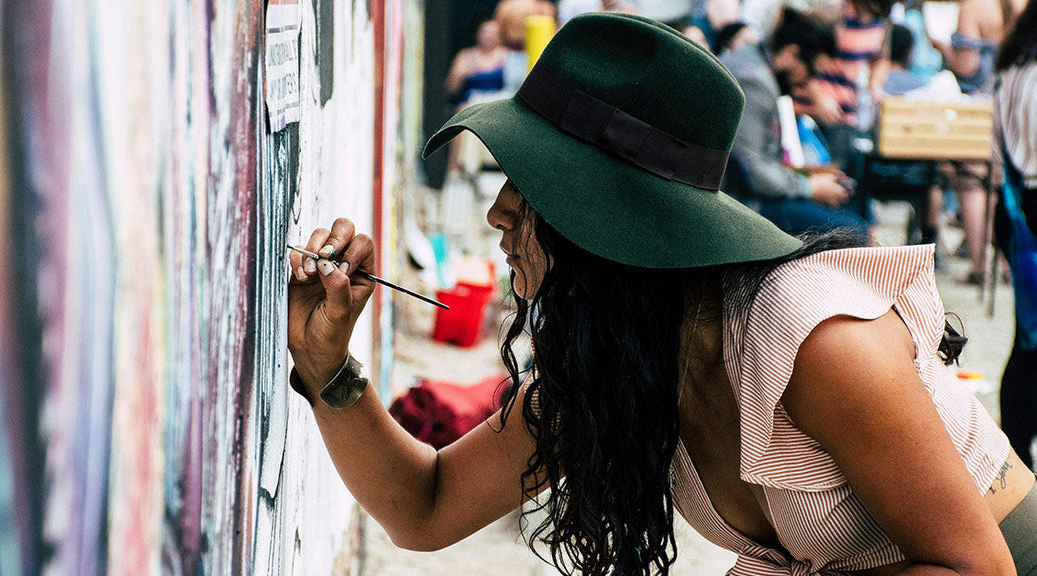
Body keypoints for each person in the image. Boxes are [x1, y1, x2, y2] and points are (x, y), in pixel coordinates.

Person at [287, 13, 1037, 575]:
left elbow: (978, 570)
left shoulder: (814, 337)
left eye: (535, 184)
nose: (499, 211)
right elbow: (426, 506)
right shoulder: (629, 358)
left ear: (617, 222)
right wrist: (327, 367)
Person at [720, 8, 870, 240]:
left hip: (749, 197)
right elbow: (749, 170)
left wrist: (812, 179)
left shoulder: (755, 63)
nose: (810, 82)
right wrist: (809, 188)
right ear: (792, 54)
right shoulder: (754, 81)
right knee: (854, 232)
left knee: (849, 204)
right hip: (743, 206)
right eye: (812, 72)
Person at [931, 0, 1020, 284]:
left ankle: (982, 268)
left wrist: (944, 49)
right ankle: (1010, 266)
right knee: (1005, 183)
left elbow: (967, 66)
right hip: (1021, 105)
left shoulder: (974, 7)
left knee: (972, 180)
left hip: (983, 109)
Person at [994, 0, 1037, 472]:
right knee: (1029, 341)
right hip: (1033, 206)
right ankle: (1018, 450)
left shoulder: (1010, 69)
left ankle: (1016, 449)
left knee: (1026, 336)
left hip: (1016, 208)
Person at [445, 18, 507, 109]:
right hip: (470, 105)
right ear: (477, 33)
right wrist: (460, 75)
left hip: (500, 104)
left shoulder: (508, 55)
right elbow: (451, 90)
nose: (489, 36)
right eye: (485, 32)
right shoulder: (465, 55)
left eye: (493, 33)